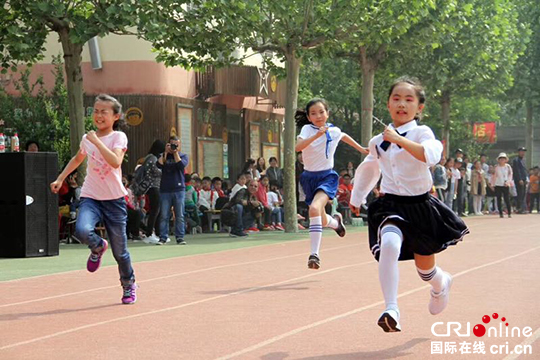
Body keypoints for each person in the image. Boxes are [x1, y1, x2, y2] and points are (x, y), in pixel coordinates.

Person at [349, 77, 469, 333]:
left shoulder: (422, 133)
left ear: (419, 108)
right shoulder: (377, 141)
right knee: (389, 244)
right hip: (390, 205)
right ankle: (391, 309)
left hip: (421, 207)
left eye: (409, 99)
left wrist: (399, 139)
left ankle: (440, 284)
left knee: (425, 270)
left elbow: (430, 156)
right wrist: (356, 197)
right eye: (396, 98)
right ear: (388, 104)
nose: (402, 104)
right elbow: (370, 167)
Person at [50, 94, 137, 304]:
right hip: (91, 196)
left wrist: (96, 141)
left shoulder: (118, 137)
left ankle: (128, 284)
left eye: (103, 112)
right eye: (95, 111)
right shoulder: (87, 138)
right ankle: (97, 246)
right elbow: (78, 158)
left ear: (115, 116)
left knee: (121, 252)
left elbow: (115, 161)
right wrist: (60, 178)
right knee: (81, 230)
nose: (98, 115)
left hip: (114, 200)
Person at [295, 98, 368, 270]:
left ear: (327, 113)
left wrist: (362, 150)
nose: (318, 116)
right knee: (318, 216)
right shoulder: (307, 129)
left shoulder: (333, 131)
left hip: (327, 177)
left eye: (321, 112)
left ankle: (314, 254)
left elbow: (343, 136)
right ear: (308, 116)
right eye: (313, 113)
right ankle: (335, 223)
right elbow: (299, 147)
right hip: (308, 178)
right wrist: (316, 135)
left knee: (313, 209)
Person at [157, 136, 189, 245]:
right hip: (165, 189)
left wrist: (175, 153)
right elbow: (159, 165)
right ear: (168, 144)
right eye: (172, 144)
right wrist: (165, 152)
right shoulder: (163, 155)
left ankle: (180, 237)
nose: (174, 146)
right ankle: (163, 237)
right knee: (164, 215)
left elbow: (181, 166)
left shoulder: (183, 156)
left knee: (179, 214)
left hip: (178, 189)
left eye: (176, 144)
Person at [139, 140, 166, 244]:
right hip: (152, 187)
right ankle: (149, 233)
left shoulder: (152, 157)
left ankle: (158, 233)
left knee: (157, 210)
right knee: (155, 210)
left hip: (155, 186)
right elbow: (154, 171)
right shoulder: (152, 158)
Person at [494, 152, 513, 218]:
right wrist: (492, 184)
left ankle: (509, 212)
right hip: (498, 184)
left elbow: (510, 175)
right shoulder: (496, 167)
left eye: (503, 159)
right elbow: (494, 176)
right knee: (499, 199)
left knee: (506, 199)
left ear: (505, 160)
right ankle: (500, 213)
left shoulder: (508, 167)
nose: (502, 160)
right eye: (500, 159)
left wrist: (508, 182)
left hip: (505, 185)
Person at [512, 147, 528, 214]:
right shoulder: (516, 160)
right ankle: (519, 208)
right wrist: (519, 179)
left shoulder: (523, 160)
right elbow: (517, 170)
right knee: (520, 194)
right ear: (519, 152)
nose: (523, 153)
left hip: (524, 178)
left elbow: (524, 170)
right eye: (522, 151)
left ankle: (523, 208)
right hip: (519, 179)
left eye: (524, 151)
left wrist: (526, 178)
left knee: (523, 194)